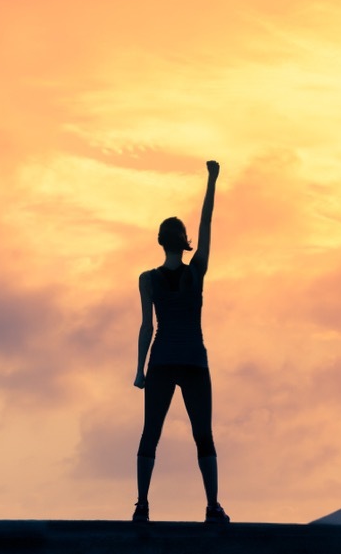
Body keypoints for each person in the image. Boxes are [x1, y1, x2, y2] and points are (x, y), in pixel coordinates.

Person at [133, 160, 229, 524]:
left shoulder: (147, 279)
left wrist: (139, 371)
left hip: (161, 361)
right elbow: (207, 223)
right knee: (203, 435)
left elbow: (146, 328)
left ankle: (141, 505)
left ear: (160, 241)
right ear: (184, 241)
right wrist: (212, 180)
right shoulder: (196, 272)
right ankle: (212, 507)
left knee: (150, 434)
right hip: (194, 361)